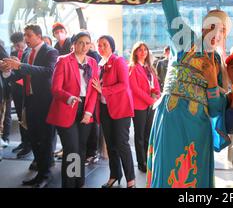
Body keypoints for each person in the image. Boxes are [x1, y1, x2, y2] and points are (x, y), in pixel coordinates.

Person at [146, 0, 230, 188]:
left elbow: (215, 110)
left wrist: (213, 83)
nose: (216, 32)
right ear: (203, 27)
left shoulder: (219, 64)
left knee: (195, 180)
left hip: (199, 126)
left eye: (222, 30)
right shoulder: (187, 40)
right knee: (168, 176)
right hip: (172, 118)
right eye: (212, 26)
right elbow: (170, 8)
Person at [1, 24, 58, 188]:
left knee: (45, 140)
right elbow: (19, 75)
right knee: (34, 139)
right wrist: (7, 70)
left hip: (45, 103)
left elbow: (48, 71)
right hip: (30, 102)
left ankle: (45, 175)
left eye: (29, 35)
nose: (25, 38)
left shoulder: (50, 51)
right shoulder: (27, 53)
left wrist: (20, 66)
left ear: (39, 36)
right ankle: (40, 173)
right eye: (25, 35)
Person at [46, 32, 99, 188]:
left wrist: (89, 112)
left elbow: (94, 90)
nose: (84, 46)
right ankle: (69, 185)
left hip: (85, 109)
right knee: (72, 150)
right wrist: (69, 98)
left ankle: (79, 183)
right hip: (66, 106)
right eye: (81, 42)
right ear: (74, 44)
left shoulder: (92, 63)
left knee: (81, 149)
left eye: (87, 43)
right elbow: (55, 89)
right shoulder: (63, 61)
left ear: (90, 45)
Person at [92, 35, 136, 188]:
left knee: (122, 144)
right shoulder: (99, 64)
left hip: (121, 109)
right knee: (110, 145)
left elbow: (124, 85)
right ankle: (114, 175)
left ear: (111, 46)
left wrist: (103, 90)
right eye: (99, 45)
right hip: (105, 109)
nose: (101, 47)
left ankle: (131, 179)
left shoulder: (118, 61)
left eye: (104, 44)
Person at [129, 42, 161, 173]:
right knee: (140, 136)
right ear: (135, 52)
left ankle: (148, 160)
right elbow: (135, 89)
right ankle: (141, 162)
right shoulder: (132, 68)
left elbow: (156, 84)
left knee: (148, 134)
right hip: (140, 106)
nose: (143, 52)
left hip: (151, 105)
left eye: (145, 50)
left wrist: (157, 95)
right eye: (140, 50)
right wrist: (150, 100)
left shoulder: (149, 68)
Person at [9, 32, 32, 158]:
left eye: (18, 45)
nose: (17, 48)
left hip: (26, 89)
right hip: (16, 89)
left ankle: (28, 144)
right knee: (19, 117)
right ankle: (23, 142)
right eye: (15, 45)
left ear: (24, 41)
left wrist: (19, 66)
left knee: (26, 118)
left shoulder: (29, 53)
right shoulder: (13, 53)